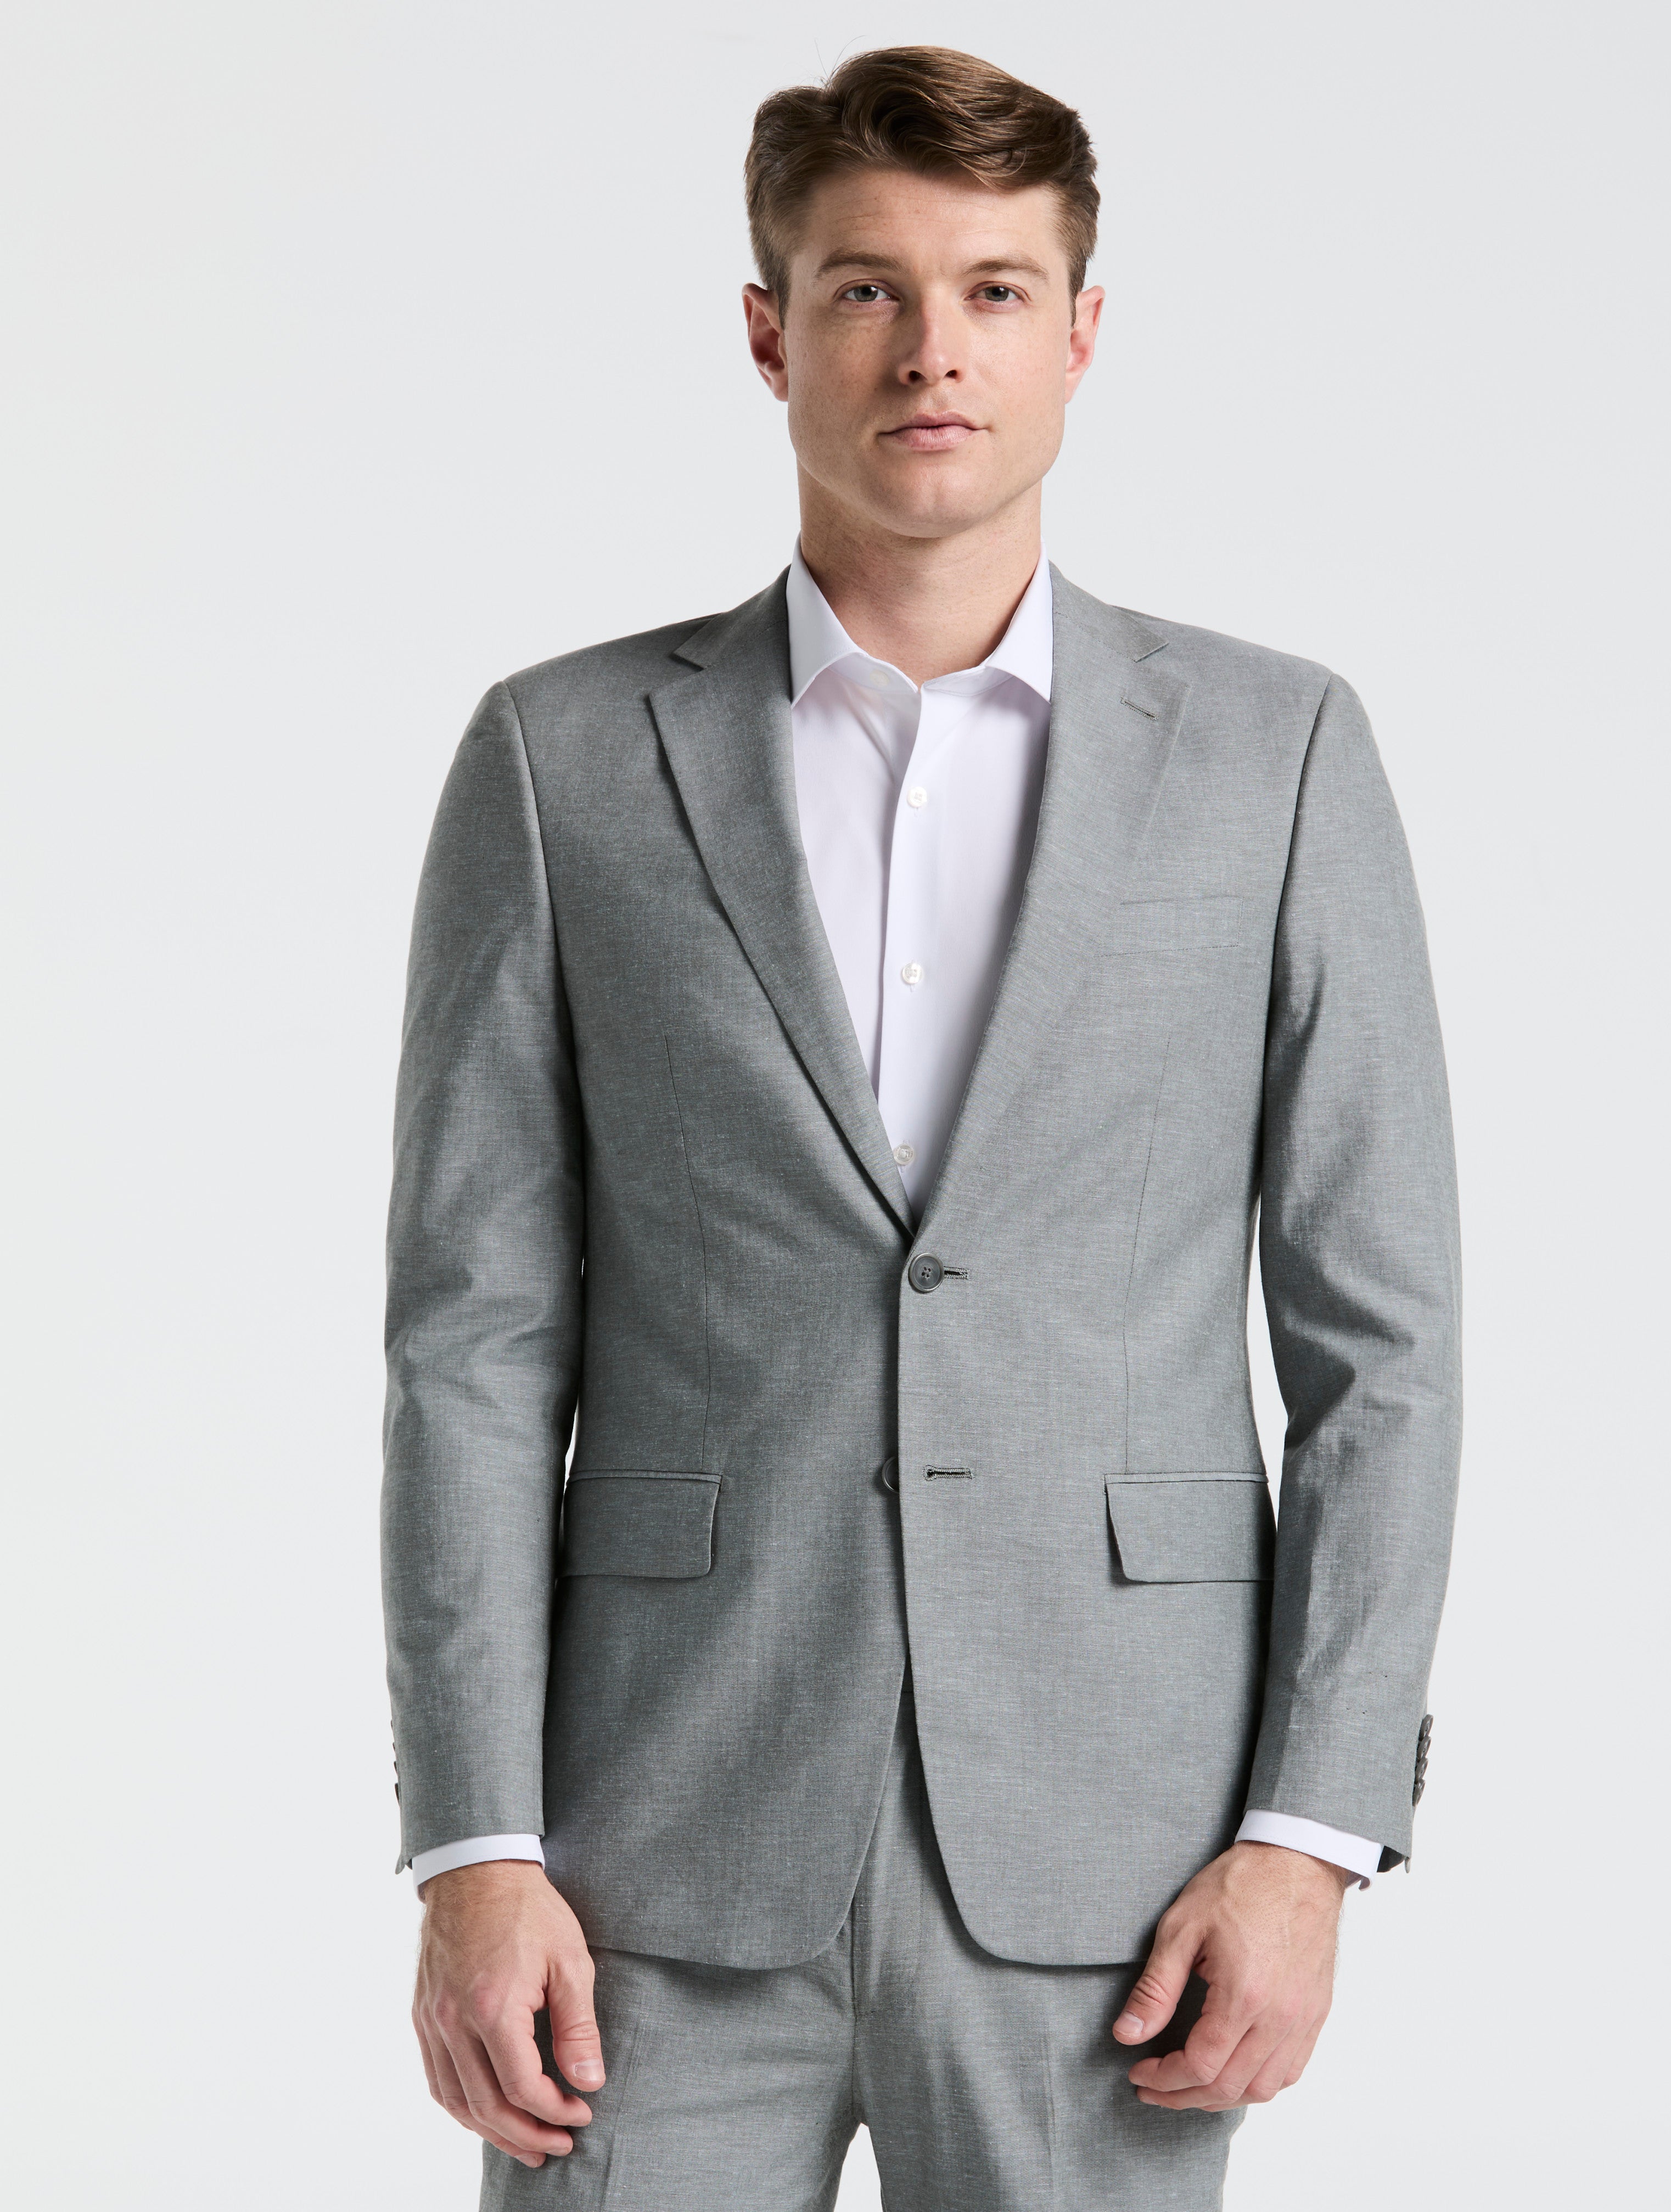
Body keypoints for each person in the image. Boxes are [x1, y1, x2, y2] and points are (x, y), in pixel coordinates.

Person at [382, 44, 1461, 2211]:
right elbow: (472, 1344)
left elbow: (1385, 1350)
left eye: (992, 290)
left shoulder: (1275, 755)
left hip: (1123, 1857)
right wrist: (474, 1846)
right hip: (650, 1850)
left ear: (1082, 331)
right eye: (865, 288)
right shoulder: (562, 759)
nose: (931, 349)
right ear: (768, 328)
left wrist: (1310, 1835)